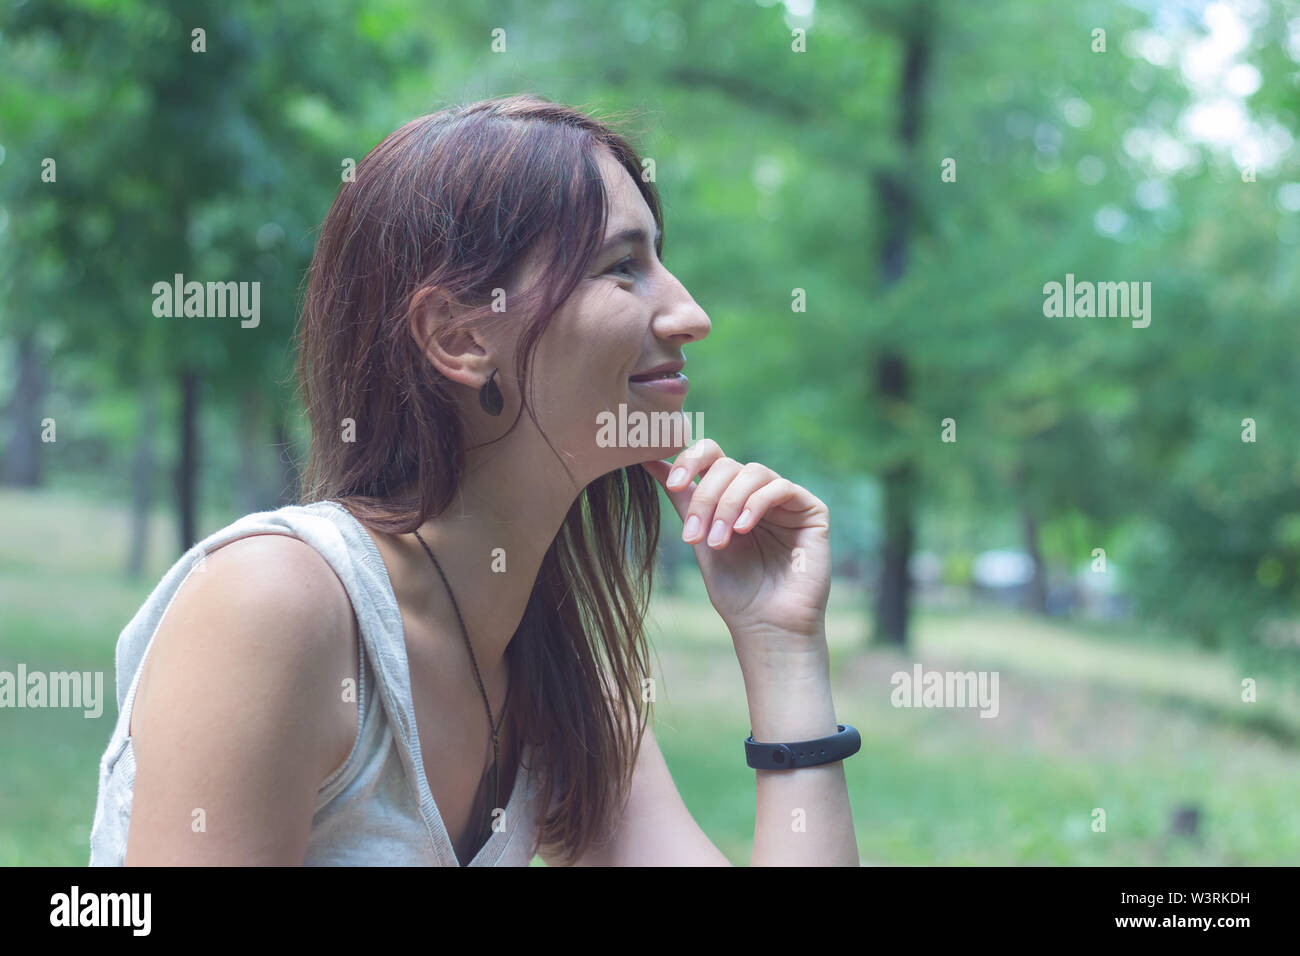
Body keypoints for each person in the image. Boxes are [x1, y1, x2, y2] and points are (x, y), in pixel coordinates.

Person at [89, 93, 857, 866]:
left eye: (659, 257)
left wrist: (780, 642)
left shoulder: (562, 677)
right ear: (459, 339)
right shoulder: (276, 603)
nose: (690, 313)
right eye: (623, 267)